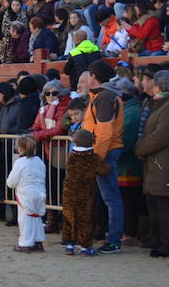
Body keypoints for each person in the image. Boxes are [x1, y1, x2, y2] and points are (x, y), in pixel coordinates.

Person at [82, 60, 125, 253]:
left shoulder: (104, 97)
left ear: (93, 76)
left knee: (111, 198)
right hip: (105, 151)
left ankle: (114, 239)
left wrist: (96, 158)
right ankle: (111, 237)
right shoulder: (104, 96)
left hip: (104, 152)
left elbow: (105, 133)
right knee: (109, 198)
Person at [134, 70, 169, 258]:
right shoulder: (158, 105)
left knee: (164, 206)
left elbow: (159, 137)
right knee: (158, 204)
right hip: (157, 162)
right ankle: (160, 241)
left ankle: (166, 245)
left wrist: (140, 148)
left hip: (162, 162)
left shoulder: (166, 107)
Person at [62, 129, 111, 256]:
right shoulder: (93, 158)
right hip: (86, 194)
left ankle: (69, 245)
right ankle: (85, 247)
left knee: (69, 217)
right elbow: (104, 171)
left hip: (69, 192)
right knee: (86, 219)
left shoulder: (71, 156)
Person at [6, 136, 47, 252]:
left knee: (25, 219)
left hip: (26, 194)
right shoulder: (39, 161)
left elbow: (12, 182)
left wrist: (9, 183)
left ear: (19, 148)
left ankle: (25, 243)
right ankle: (38, 241)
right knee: (37, 218)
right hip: (40, 193)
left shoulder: (20, 162)